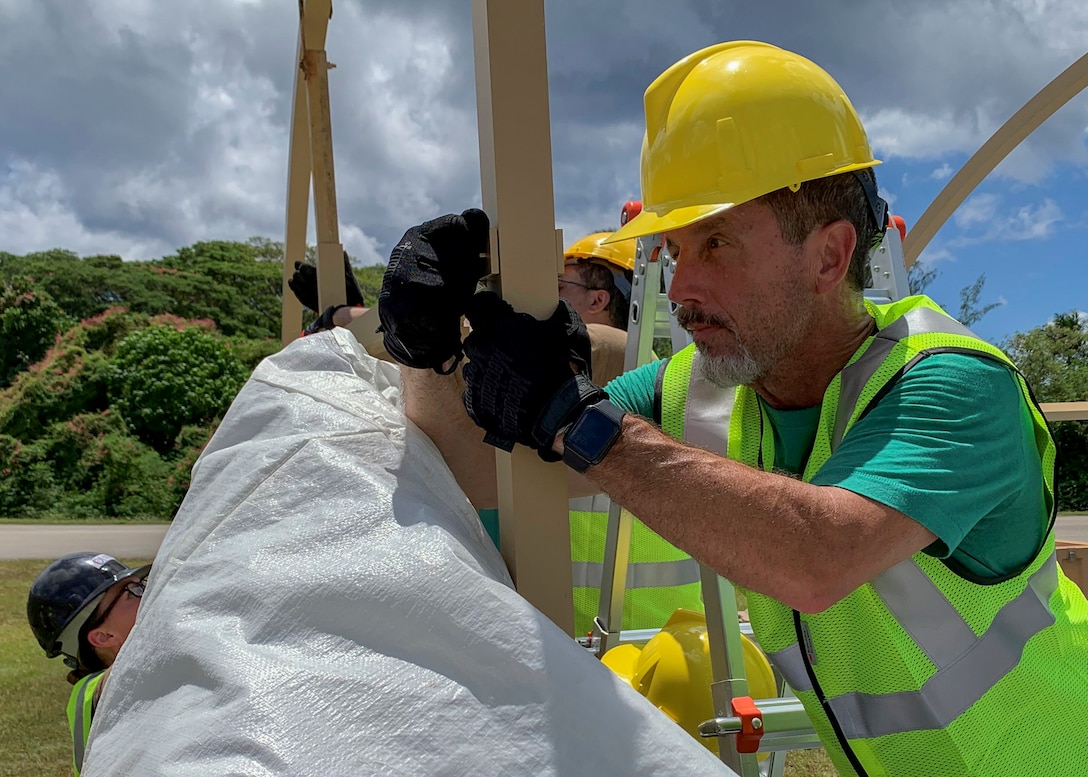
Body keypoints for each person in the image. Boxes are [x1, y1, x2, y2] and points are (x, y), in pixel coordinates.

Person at [378, 41, 1088, 776]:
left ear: (828, 256)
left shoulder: (953, 386)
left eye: (715, 243)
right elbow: (477, 472)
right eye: (674, 249)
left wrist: (577, 420)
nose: (681, 286)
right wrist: (429, 347)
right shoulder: (701, 389)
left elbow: (817, 555)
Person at [561, 231, 702, 636]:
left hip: (607, 645)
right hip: (676, 640)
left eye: (560, 286)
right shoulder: (672, 385)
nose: (547, 296)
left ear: (598, 299)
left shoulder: (621, 371)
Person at [27, 553, 150, 777]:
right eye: (132, 592)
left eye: (141, 584)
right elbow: (141, 663)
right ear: (103, 637)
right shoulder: (92, 692)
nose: (148, 594)